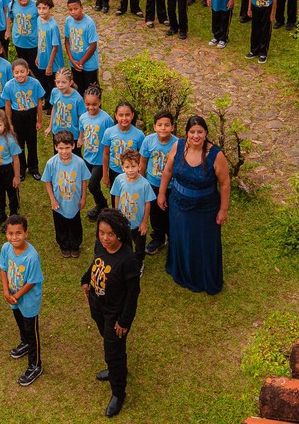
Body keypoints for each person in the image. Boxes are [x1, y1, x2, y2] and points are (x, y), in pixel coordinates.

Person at [158, 116, 230, 295]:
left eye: (200, 132)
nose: (196, 135)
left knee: (203, 243)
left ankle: (201, 276)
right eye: (192, 132)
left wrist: (223, 210)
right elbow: (167, 170)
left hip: (205, 210)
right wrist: (161, 192)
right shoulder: (178, 146)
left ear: (206, 133)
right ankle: (180, 270)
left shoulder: (216, 155)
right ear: (187, 133)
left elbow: (225, 184)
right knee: (180, 237)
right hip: (178, 205)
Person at [82, 208, 141, 418]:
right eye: (101, 233)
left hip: (115, 314)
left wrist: (124, 321)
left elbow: (133, 294)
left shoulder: (128, 260)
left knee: (112, 351)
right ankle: (118, 370)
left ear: (120, 234)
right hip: (98, 306)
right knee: (111, 345)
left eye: (110, 234)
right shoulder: (102, 246)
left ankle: (118, 392)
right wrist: (86, 279)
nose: (105, 239)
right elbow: (97, 262)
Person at [0, 214, 44, 387]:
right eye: (10, 233)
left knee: (32, 332)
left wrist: (16, 295)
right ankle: (24, 342)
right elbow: (3, 269)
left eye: (18, 233)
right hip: (12, 296)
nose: (14, 237)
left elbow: (32, 281)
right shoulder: (6, 248)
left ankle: (35, 365)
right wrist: (6, 291)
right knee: (20, 322)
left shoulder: (31, 257)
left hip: (28, 300)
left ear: (26, 233)